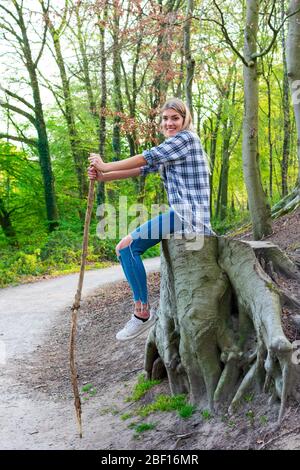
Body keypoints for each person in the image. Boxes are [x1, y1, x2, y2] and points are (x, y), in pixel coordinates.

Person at [88, 97, 213, 342]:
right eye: (165, 119)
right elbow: (140, 169)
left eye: (175, 118)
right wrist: (103, 176)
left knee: (126, 246)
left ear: (185, 119)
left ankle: (142, 313)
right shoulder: (173, 148)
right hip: (183, 215)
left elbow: (145, 158)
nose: (169, 123)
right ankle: (142, 311)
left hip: (189, 217)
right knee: (125, 247)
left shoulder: (186, 139)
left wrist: (105, 164)